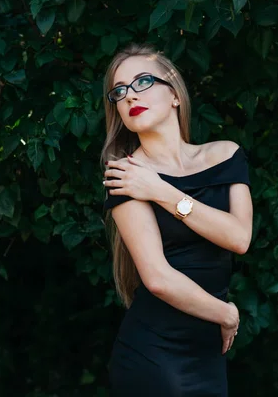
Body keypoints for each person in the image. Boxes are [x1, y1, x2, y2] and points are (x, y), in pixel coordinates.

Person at [101, 43, 253, 396]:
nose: (128, 96)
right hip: (154, 353)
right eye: (119, 91)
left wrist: (160, 191)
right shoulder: (126, 174)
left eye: (142, 82)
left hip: (207, 353)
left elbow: (238, 238)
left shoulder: (226, 154)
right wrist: (226, 314)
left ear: (174, 95)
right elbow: (157, 279)